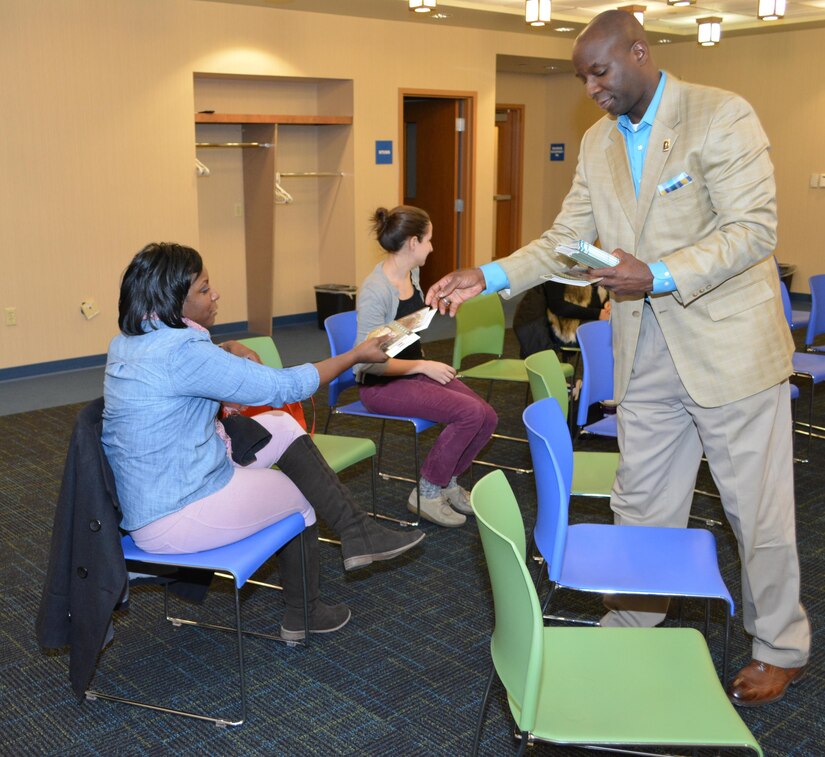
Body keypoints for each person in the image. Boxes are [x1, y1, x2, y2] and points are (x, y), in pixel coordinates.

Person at [426, 10, 810, 707]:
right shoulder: (597, 143)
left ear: (639, 52)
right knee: (640, 498)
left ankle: (780, 644)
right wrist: (487, 275)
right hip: (646, 351)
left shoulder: (719, 115)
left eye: (599, 72)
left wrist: (657, 273)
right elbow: (565, 239)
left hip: (728, 348)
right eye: (581, 78)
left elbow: (753, 231)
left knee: (756, 512)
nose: (591, 88)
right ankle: (636, 614)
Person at [102, 242, 425, 642]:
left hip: (167, 485)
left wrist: (224, 349)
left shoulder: (136, 340)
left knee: (280, 426)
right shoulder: (182, 353)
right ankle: (304, 614)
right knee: (299, 493)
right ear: (173, 302)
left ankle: (358, 531)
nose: (215, 294)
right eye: (204, 289)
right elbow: (282, 386)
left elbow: (182, 371)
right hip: (177, 512)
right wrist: (356, 355)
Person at [354, 206, 497, 527]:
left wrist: (438, 303)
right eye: (429, 240)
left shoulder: (411, 274)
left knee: (487, 416)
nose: (433, 247)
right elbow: (367, 362)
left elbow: (406, 327)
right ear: (413, 242)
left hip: (414, 370)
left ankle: (447, 482)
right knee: (469, 414)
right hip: (381, 385)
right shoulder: (375, 290)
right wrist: (424, 365)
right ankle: (427, 492)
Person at [512, 280, 610, 359]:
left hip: (586, 320)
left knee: (612, 332)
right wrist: (598, 314)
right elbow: (558, 307)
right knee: (606, 336)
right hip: (562, 327)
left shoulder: (591, 267)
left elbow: (594, 299)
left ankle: (597, 379)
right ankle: (596, 380)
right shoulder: (558, 270)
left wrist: (607, 303)